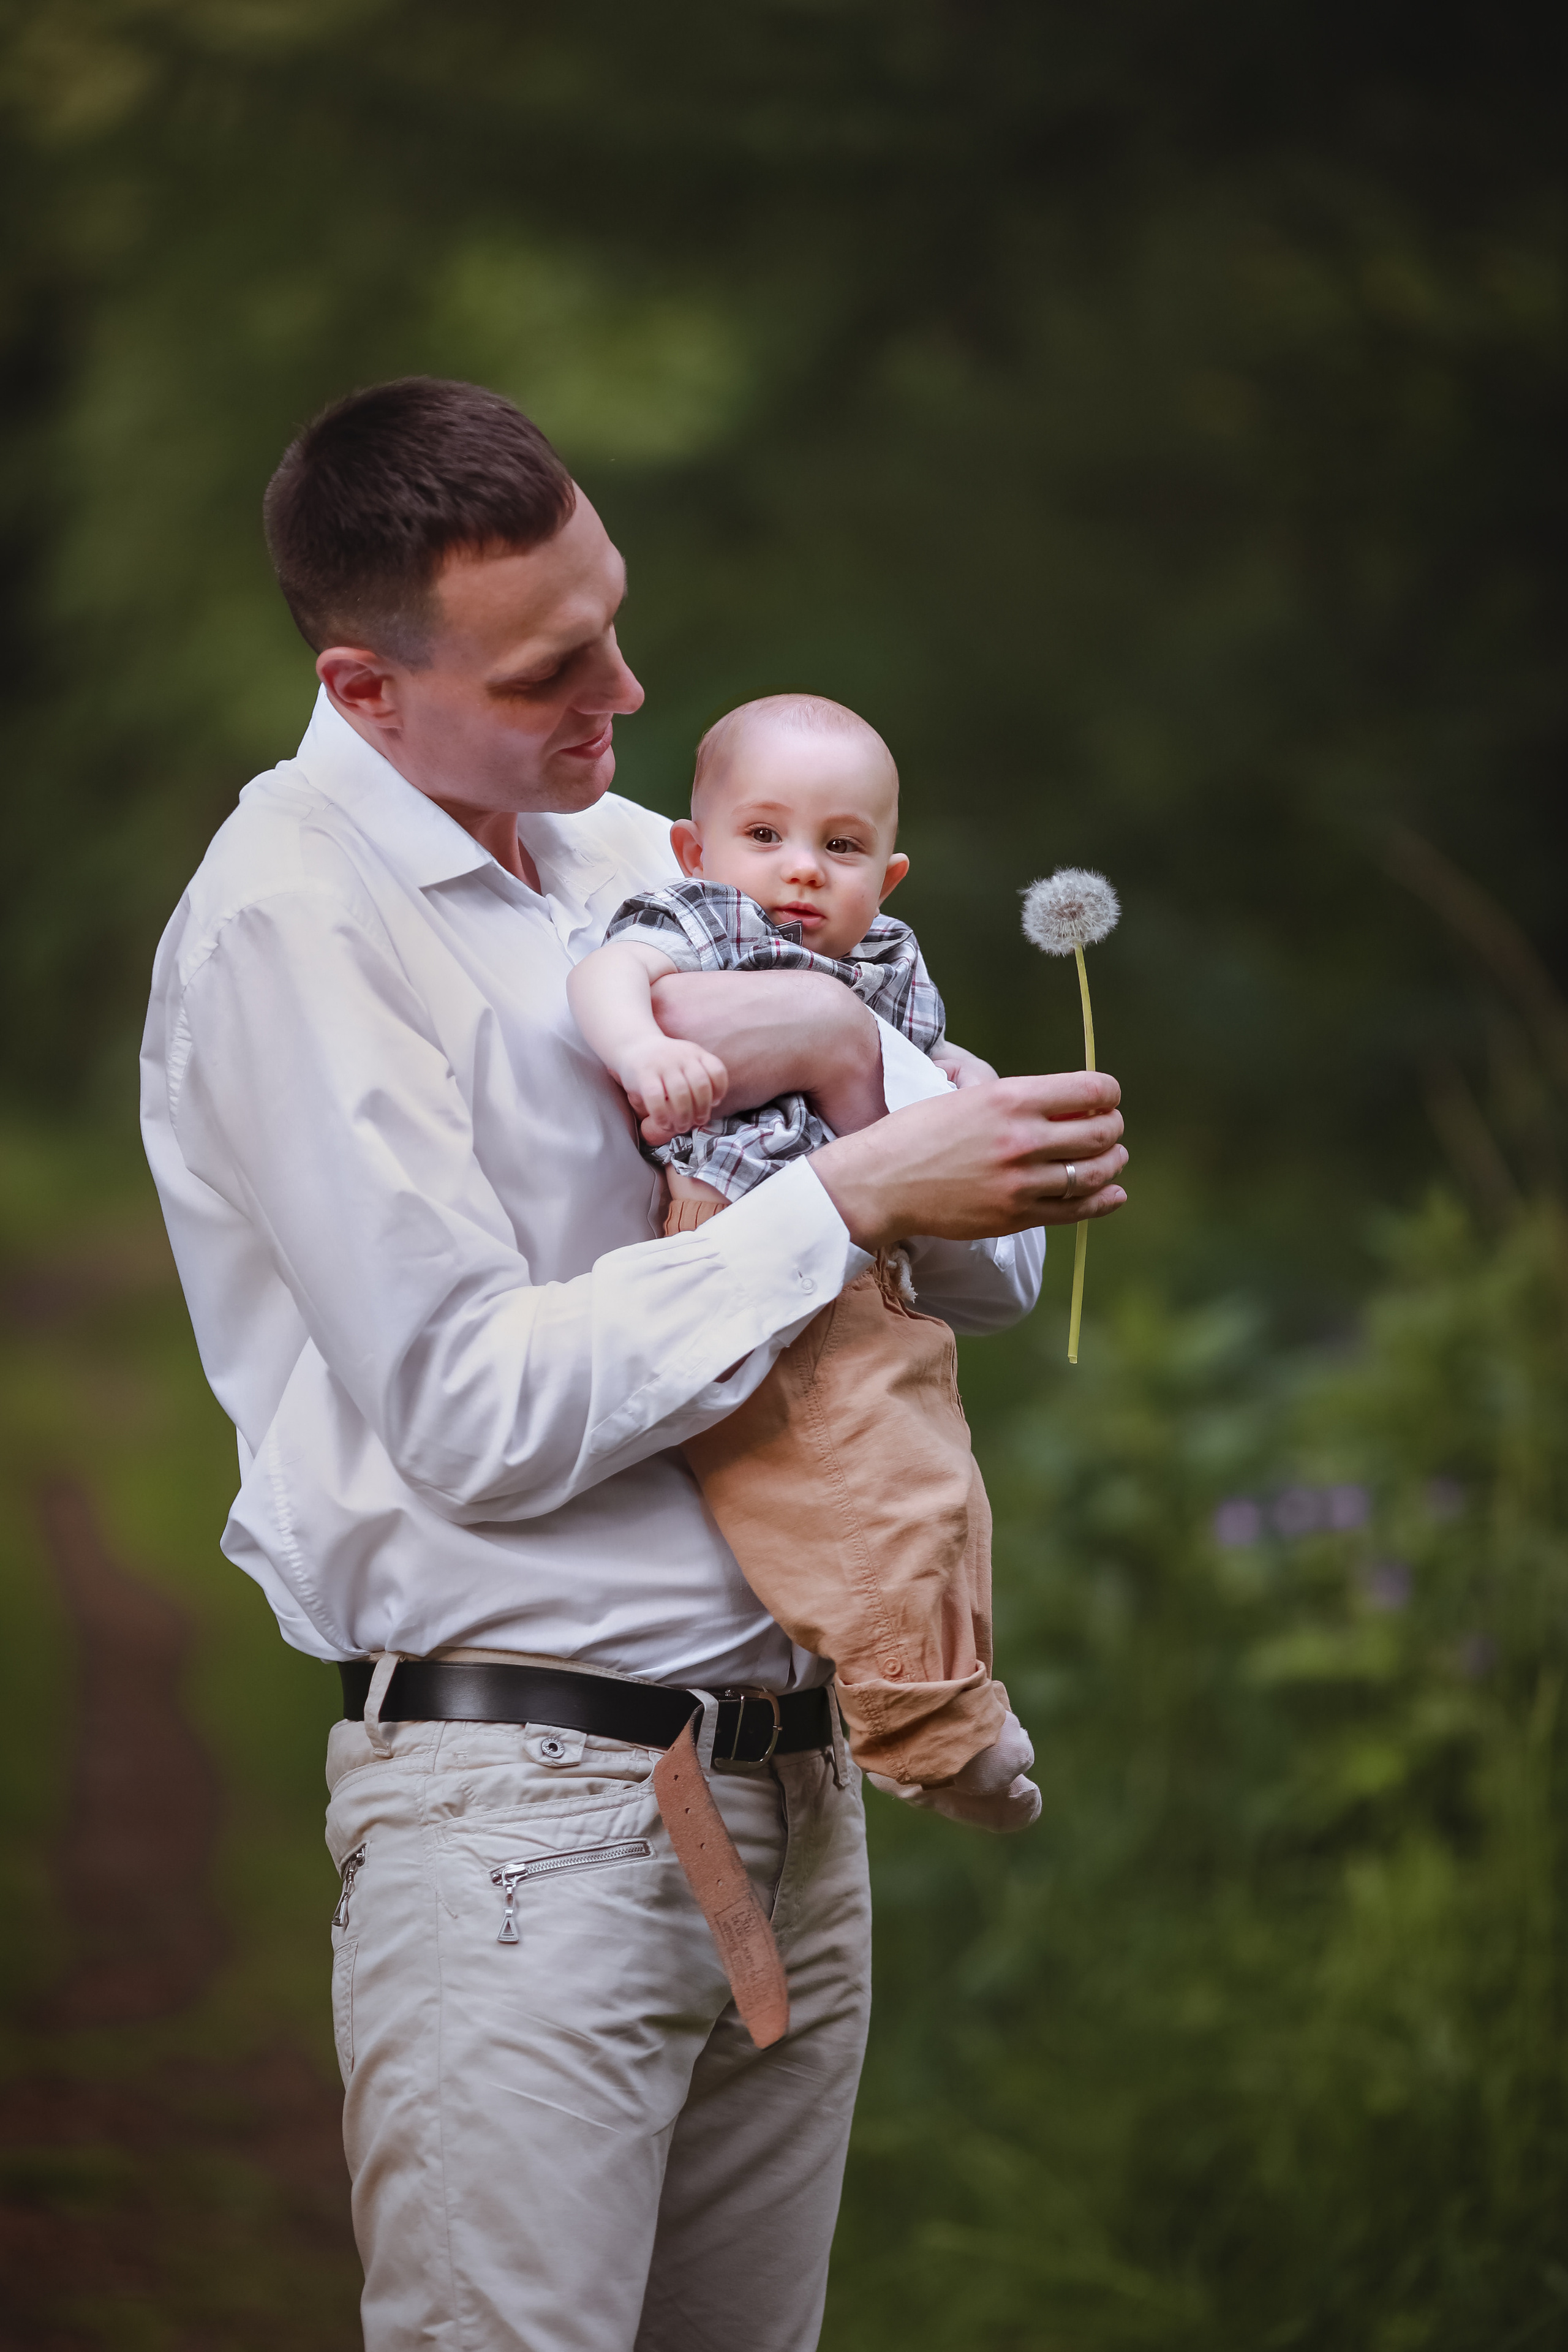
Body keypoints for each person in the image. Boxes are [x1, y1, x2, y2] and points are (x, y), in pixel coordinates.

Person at [139, 376, 1128, 2352]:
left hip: (793, 1781)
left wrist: (871, 1086)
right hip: (527, 1823)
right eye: (551, 667)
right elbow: (477, 1412)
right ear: (364, 690)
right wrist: (849, 1183)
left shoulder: (627, 861)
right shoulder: (288, 930)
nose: (624, 685)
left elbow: (986, 1269)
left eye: (613, 616)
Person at [568, 690, 1038, 1828]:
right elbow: (605, 977)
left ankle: (953, 1688)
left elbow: (918, 1060)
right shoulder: (703, 923)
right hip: (744, 1247)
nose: (801, 873)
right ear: (696, 849)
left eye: (842, 848)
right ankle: (927, 1732)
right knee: (836, 1480)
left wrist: (965, 1084)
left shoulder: (884, 960)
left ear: (890, 874)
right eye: (765, 836)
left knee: (935, 1477)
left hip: (865, 1263)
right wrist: (640, 1046)